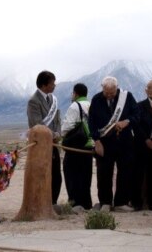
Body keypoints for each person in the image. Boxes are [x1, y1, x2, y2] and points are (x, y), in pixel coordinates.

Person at [87, 76, 138, 212]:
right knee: (103, 173)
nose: (109, 95)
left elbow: (137, 115)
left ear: (117, 88)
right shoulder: (97, 99)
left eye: (112, 93)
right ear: (102, 88)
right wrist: (96, 140)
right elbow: (91, 122)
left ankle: (121, 202)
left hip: (124, 141)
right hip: (105, 142)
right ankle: (105, 202)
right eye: (106, 92)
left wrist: (126, 121)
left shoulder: (127, 97)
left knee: (125, 172)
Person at [27, 70, 63, 205]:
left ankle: (53, 202)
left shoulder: (53, 100)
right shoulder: (33, 101)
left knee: (56, 176)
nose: (54, 86)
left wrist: (58, 134)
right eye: (52, 83)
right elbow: (36, 123)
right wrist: (51, 135)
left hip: (54, 144)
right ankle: (42, 202)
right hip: (41, 145)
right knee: (43, 174)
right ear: (44, 85)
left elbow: (57, 120)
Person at [131, 80, 152, 211]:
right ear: (145, 91)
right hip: (141, 145)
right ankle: (137, 202)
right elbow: (136, 124)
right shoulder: (138, 106)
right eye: (149, 88)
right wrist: (146, 140)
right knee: (138, 174)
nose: (151, 90)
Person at [61, 83, 93, 211]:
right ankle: (86, 203)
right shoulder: (91, 105)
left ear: (76, 93)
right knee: (86, 175)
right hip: (89, 145)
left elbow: (67, 126)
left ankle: (75, 202)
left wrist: (61, 134)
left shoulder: (75, 106)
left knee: (72, 174)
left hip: (76, 144)